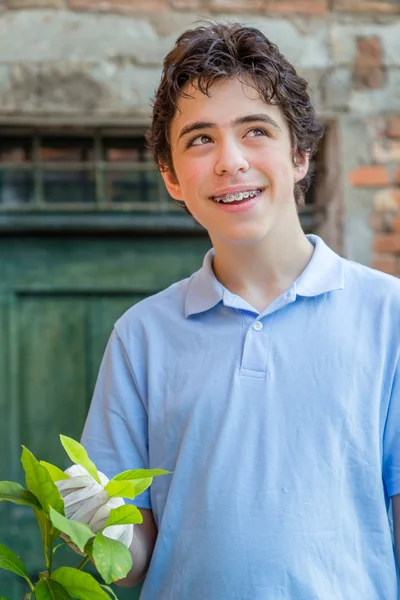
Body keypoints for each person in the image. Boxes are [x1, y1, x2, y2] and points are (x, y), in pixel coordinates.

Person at [58, 22, 400, 599]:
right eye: (199, 140)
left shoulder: (388, 316)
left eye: (255, 130)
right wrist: (99, 525)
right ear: (170, 175)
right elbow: (131, 563)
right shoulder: (141, 336)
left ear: (299, 154)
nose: (231, 161)